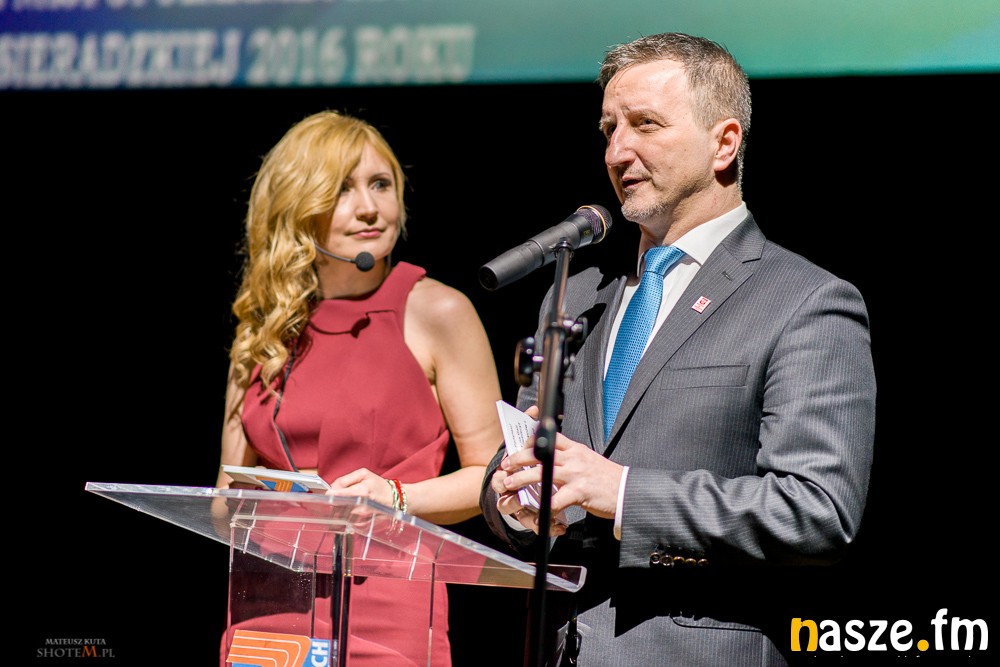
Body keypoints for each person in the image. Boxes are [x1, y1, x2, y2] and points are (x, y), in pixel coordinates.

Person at [480, 32, 876, 666]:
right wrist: (515, 502)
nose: (617, 151)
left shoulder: (805, 301)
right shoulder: (577, 293)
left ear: (724, 143)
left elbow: (817, 512)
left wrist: (625, 493)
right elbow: (516, 458)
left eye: (645, 124)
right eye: (609, 128)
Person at [215, 110, 505, 666]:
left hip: (386, 608)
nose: (370, 207)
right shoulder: (264, 327)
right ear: (296, 207)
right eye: (342, 189)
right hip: (268, 609)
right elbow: (223, 505)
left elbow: (492, 477)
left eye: (381, 184)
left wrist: (395, 498)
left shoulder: (437, 311)